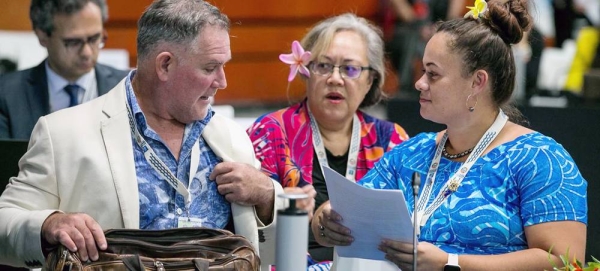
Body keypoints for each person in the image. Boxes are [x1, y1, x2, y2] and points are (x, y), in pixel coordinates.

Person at [0, 0, 284, 269]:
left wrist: (267, 197)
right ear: (165, 65)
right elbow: (5, 222)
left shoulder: (232, 138)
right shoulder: (62, 134)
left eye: (224, 66)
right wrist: (48, 224)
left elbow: (271, 253)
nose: (222, 81)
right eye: (210, 68)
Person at [312, 0, 588, 270]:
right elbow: (348, 208)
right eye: (423, 71)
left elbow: (565, 260)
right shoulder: (411, 153)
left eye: (433, 74)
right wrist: (327, 220)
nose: (419, 83)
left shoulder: (538, 159)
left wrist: (451, 264)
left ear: (477, 82)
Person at [247, 13, 409, 266]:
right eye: (323, 66)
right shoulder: (270, 132)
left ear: (370, 80)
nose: (335, 78)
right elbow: (251, 225)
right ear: (305, 72)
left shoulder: (391, 139)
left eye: (350, 69)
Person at [0, 0, 129, 140]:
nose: (87, 53)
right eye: (73, 42)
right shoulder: (6, 94)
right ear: (42, 36)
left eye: (94, 38)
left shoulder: (129, 88)